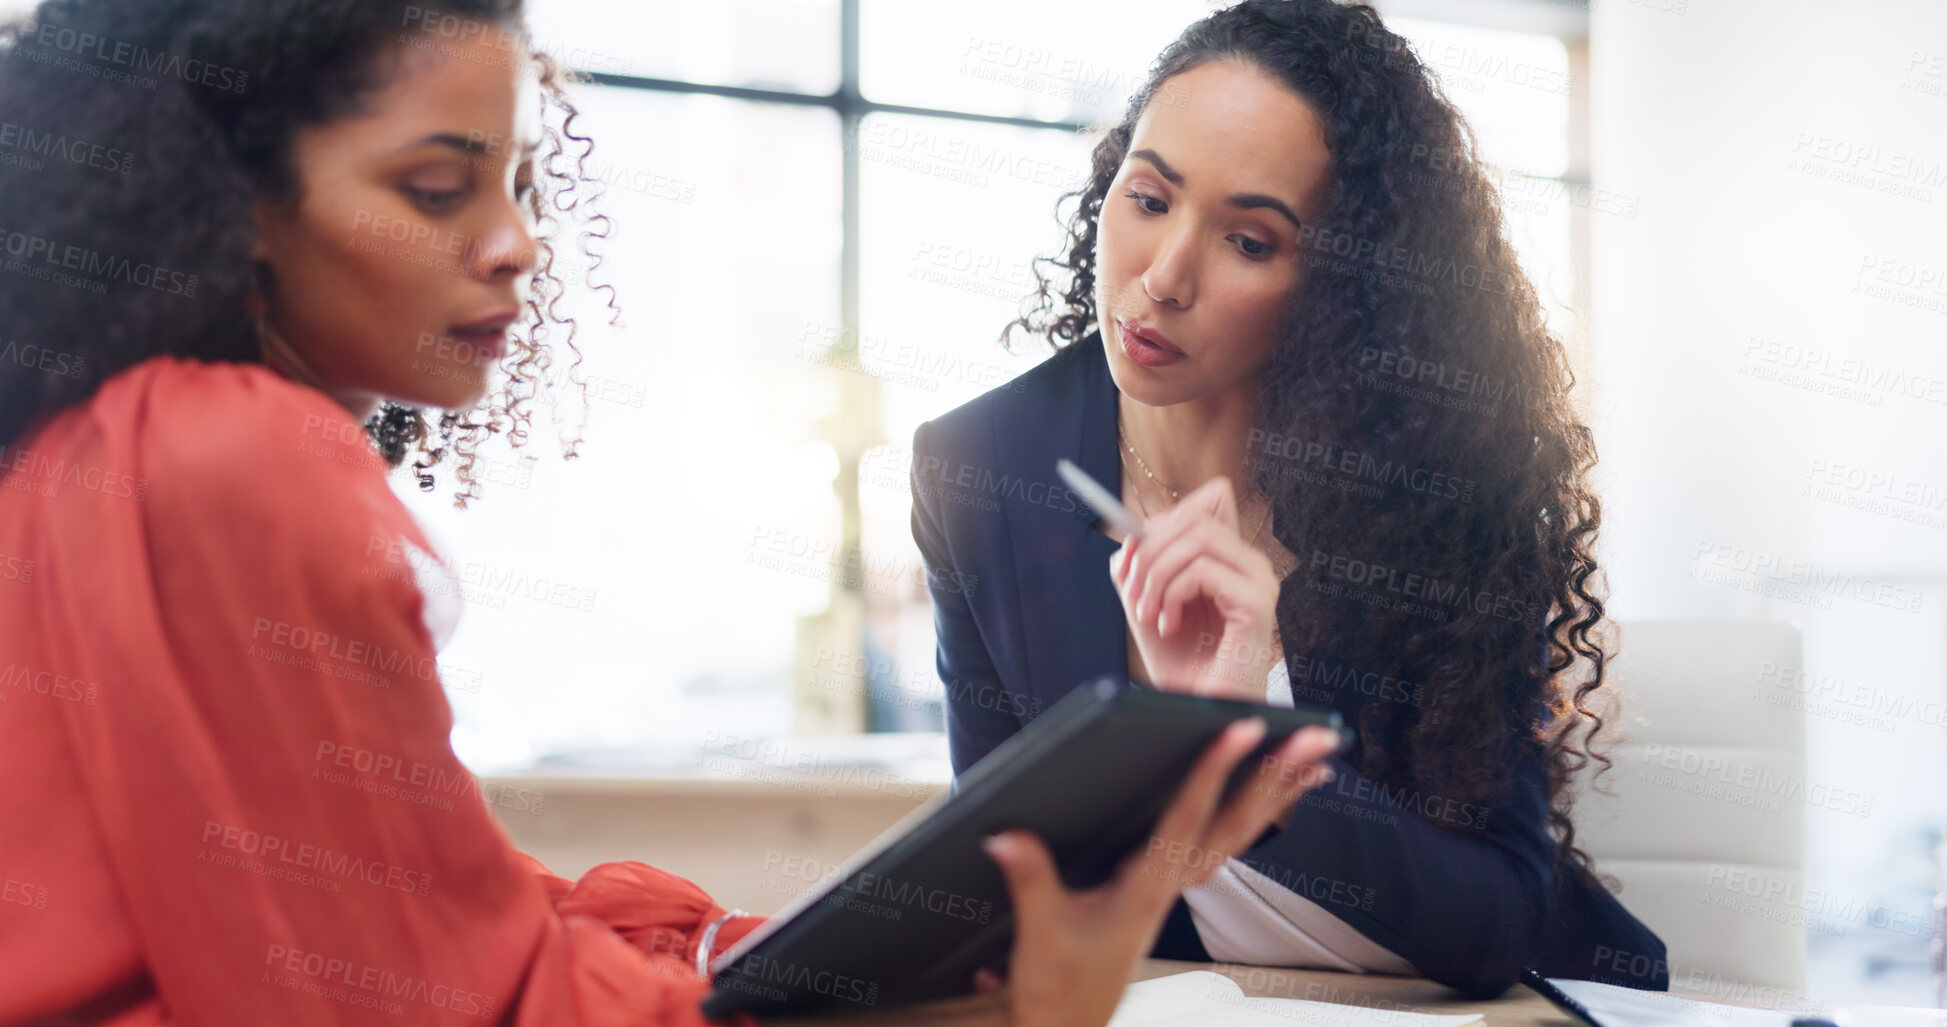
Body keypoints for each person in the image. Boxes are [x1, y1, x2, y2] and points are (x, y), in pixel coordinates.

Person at [0, 1, 1342, 1024]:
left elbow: (416, 896)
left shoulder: (109, 443)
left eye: (521, 183)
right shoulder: (239, 457)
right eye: (434, 188)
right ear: (235, 204)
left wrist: (723, 946)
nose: (519, 239)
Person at [909, 0, 1667, 999]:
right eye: (1148, 197)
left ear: (1343, 286)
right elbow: (1008, 887)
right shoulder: (978, 466)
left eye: (1251, 241)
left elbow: (1495, 921)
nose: (1164, 277)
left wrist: (1250, 759)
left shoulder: (1442, 489)